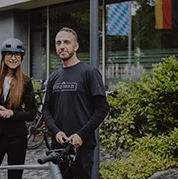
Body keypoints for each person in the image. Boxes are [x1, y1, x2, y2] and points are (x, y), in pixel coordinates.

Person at [42, 27, 110, 179]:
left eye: (66, 42)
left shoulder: (89, 72)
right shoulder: (54, 76)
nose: (62, 46)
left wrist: (81, 134)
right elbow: (46, 109)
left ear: (76, 46)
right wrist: (55, 131)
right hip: (58, 147)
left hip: (82, 146)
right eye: (58, 43)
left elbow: (102, 108)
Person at [0, 38, 37, 179]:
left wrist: (12, 113)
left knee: (15, 176)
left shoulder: (26, 82)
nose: (13, 58)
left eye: (17, 55)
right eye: (9, 54)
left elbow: (32, 113)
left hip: (17, 137)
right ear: (3, 56)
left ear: (22, 58)